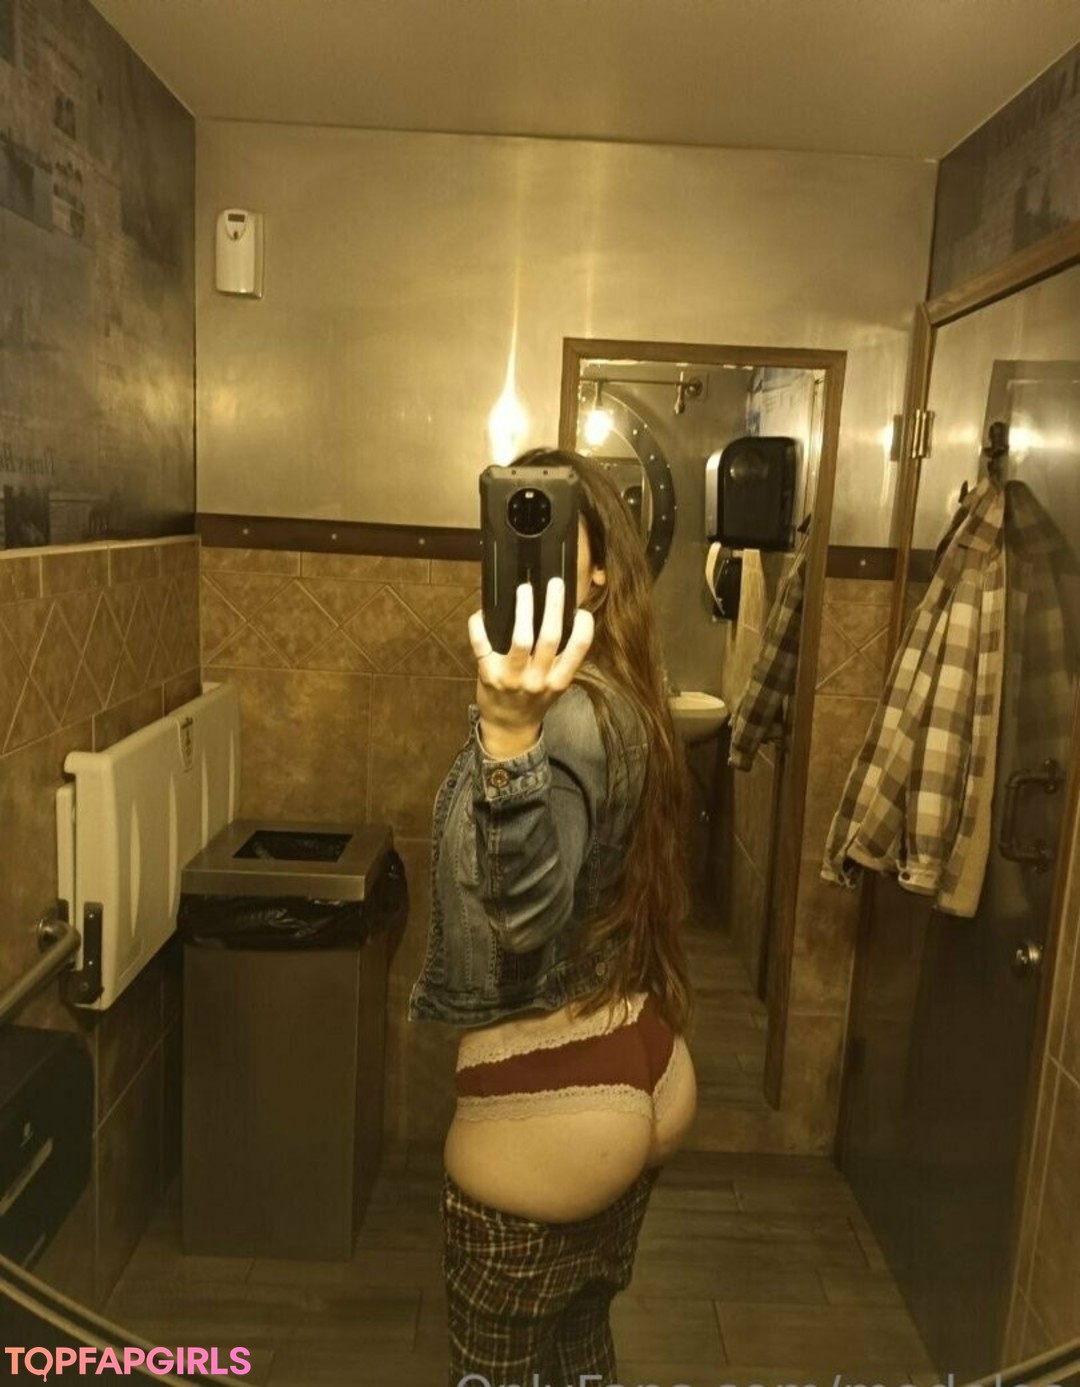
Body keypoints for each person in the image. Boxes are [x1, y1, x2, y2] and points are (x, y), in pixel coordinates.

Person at [408, 446, 698, 1385]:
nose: (521, 549)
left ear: (600, 571)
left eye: (552, 528)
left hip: (558, 1109)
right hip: (632, 1054)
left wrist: (506, 737)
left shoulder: (563, 717)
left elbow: (526, 914)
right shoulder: (623, 688)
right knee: (580, 1356)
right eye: (507, 526)